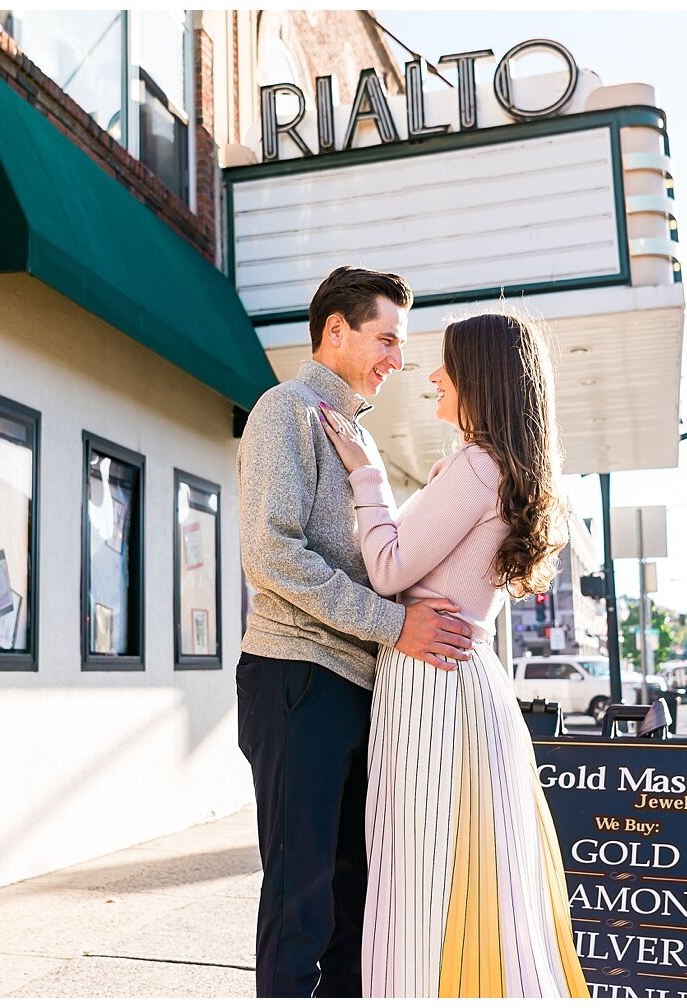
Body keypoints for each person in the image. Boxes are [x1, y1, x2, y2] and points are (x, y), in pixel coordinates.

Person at [318, 312, 588, 997]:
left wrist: (368, 474)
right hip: (468, 686)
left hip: (432, 687)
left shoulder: (476, 465)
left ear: (483, 380)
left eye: (448, 367)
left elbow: (388, 568)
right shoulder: (503, 470)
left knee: (420, 873)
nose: (433, 377)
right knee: (474, 874)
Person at [236, 266, 476, 998]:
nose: (396, 361)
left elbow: (379, 561)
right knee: (300, 894)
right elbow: (271, 553)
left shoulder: (353, 436)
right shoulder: (287, 411)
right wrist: (393, 623)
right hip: (297, 678)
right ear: (334, 331)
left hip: (354, 684)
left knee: (355, 901)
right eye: (386, 339)